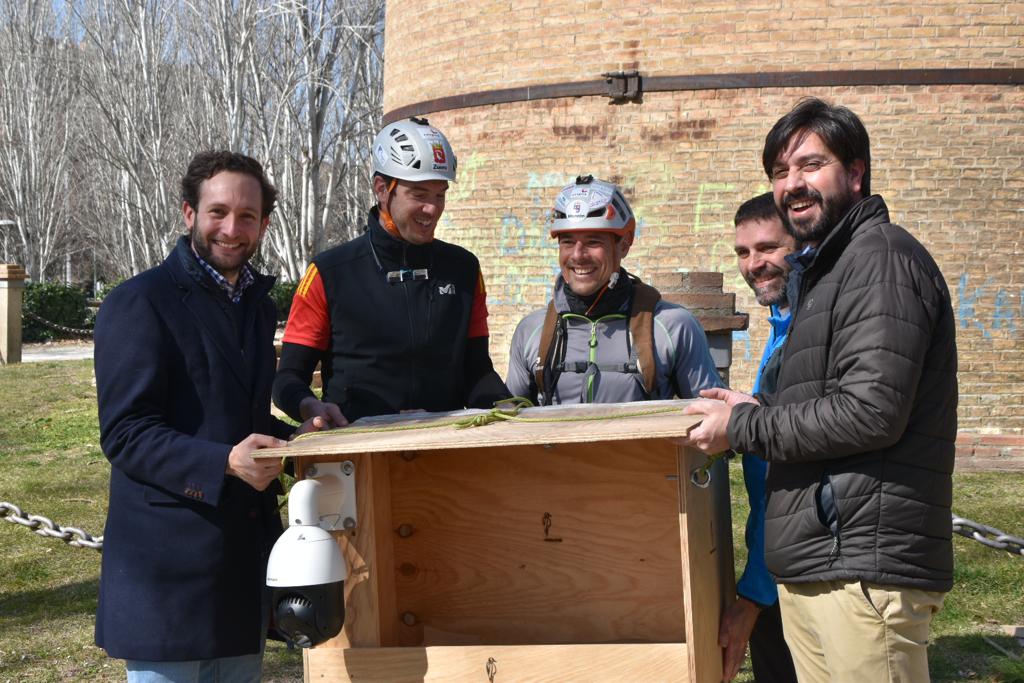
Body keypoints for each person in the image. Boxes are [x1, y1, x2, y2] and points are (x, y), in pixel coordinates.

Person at [684, 98, 957, 682]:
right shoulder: (830, 273)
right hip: (821, 565)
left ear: (855, 173)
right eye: (780, 173)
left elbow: (870, 413)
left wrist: (744, 426)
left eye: (811, 165)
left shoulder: (880, 258)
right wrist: (761, 407)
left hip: (862, 570)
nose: (793, 184)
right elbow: (833, 399)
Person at [94, 151, 326, 681]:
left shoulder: (256, 305)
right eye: (217, 211)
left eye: (247, 216)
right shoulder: (140, 302)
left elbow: (241, 418)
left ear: (264, 225)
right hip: (167, 578)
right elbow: (126, 434)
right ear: (189, 214)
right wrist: (224, 462)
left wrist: (301, 442)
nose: (231, 228)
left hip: (239, 574)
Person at [273, 117, 509, 425]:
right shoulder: (329, 272)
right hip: (357, 454)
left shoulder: (463, 269)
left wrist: (514, 410)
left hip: (441, 452)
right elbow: (288, 378)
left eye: (440, 194)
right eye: (419, 194)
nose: (433, 209)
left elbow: (477, 371)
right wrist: (309, 407)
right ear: (382, 189)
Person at [505, 174, 721, 406]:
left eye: (593, 242)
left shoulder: (673, 325)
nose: (578, 255)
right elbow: (509, 425)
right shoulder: (531, 331)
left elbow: (712, 419)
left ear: (624, 245)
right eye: (567, 242)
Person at [718, 192, 798, 683]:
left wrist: (754, 594)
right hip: (776, 568)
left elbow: (787, 482)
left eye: (768, 248)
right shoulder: (781, 325)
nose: (754, 264)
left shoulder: (806, 331)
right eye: (743, 253)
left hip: (791, 574)